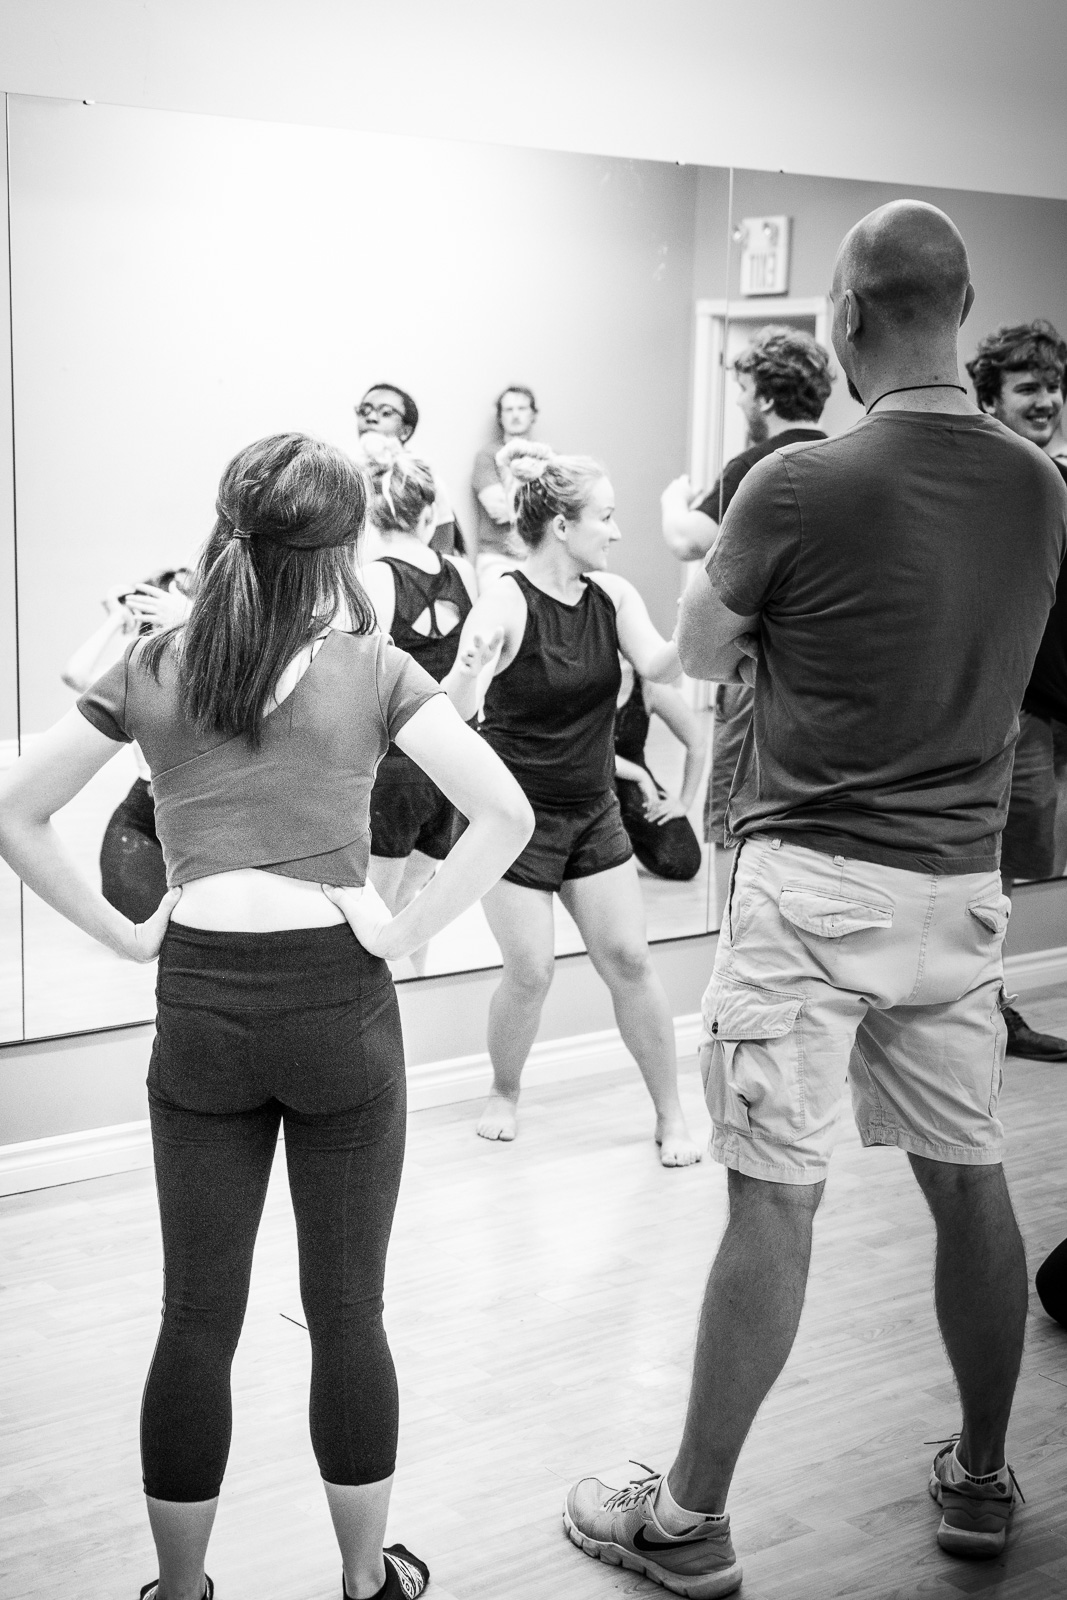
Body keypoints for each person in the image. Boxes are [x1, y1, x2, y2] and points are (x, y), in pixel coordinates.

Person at [565, 201, 1067, 1592]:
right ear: (960, 308)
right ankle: (980, 1475)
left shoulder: (796, 482)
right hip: (961, 894)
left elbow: (697, 654)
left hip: (813, 889)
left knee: (773, 1203)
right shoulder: (1039, 486)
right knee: (967, 1180)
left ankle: (685, 1519)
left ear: (844, 318)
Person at [0, 433, 532, 1600]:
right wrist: (398, 929)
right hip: (338, 1003)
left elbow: (13, 808)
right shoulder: (373, 666)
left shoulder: (151, 661)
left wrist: (127, 934)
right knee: (347, 1313)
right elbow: (505, 813)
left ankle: (179, 1590)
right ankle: (365, 1581)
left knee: (196, 1316)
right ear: (341, 550)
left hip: (199, 1000)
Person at [443, 439, 702, 1165]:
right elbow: (456, 710)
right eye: (605, 517)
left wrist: (704, 613)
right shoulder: (504, 600)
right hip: (514, 820)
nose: (616, 531)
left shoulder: (611, 597)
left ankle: (671, 1114)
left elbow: (659, 665)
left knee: (629, 958)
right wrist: (467, 668)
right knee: (531, 972)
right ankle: (504, 1090)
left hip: (592, 810)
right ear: (562, 525)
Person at [659, 328, 834, 909]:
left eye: (741, 389)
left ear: (764, 396)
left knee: (734, 818)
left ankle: (731, 929)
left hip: (755, 669)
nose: (737, 401)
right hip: (819, 674)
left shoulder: (755, 466)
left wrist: (672, 501)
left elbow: (690, 542)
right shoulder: (841, 459)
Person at [967, 319, 1067, 1061]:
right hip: (1010, 711)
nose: (1046, 400)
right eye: (1028, 387)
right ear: (990, 400)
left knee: (1032, 863)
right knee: (990, 871)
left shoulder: (1058, 478)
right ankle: (985, 1012)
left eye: (1053, 386)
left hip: (1056, 710)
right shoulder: (983, 480)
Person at [359, 435, 480, 973]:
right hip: (454, 762)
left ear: (372, 517)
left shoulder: (373, 578)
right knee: (419, 902)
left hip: (397, 770)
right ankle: (421, 989)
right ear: (431, 514)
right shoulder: (463, 573)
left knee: (378, 913)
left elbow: (360, 686)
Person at [62, 569, 194, 923]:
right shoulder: (140, 676)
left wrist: (191, 622)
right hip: (142, 821)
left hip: (201, 826)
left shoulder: (226, 676)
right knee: (141, 925)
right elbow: (76, 674)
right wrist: (116, 619)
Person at [614, 658, 706, 882]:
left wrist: (684, 803)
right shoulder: (584, 685)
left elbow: (697, 743)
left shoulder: (649, 688)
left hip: (632, 784)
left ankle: (626, 835)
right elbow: (587, 751)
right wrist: (640, 775)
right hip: (591, 778)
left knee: (684, 862)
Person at [354, 381, 465, 555]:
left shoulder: (426, 481)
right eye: (364, 410)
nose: (371, 418)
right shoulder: (345, 475)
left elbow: (444, 552)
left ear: (405, 431)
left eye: (386, 412)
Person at [471, 385, 538, 585]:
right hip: (497, 559)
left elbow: (561, 510)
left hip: (537, 558)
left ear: (533, 414)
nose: (515, 415)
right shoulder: (487, 456)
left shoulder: (549, 457)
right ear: (500, 417)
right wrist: (539, 506)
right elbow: (499, 510)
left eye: (522, 408)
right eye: (509, 410)